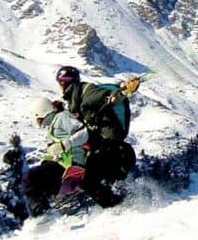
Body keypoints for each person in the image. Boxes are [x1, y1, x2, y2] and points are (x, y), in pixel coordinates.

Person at [55, 65, 137, 206]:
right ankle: (120, 205)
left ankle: (117, 209)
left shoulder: (87, 93)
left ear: (63, 82)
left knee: (89, 181)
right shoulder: (75, 100)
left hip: (110, 146)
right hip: (106, 146)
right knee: (90, 181)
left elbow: (106, 97)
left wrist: (123, 92)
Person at [22, 96, 92, 217]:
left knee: (30, 178)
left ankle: (42, 213)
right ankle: (46, 213)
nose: (38, 123)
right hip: (63, 164)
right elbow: (53, 152)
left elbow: (84, 133)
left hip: (71, 164)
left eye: (38, 119)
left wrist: (64, 144)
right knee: (37, 183)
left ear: (42, 112)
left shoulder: (62, 118)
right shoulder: (53, 127)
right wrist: (47, 159)